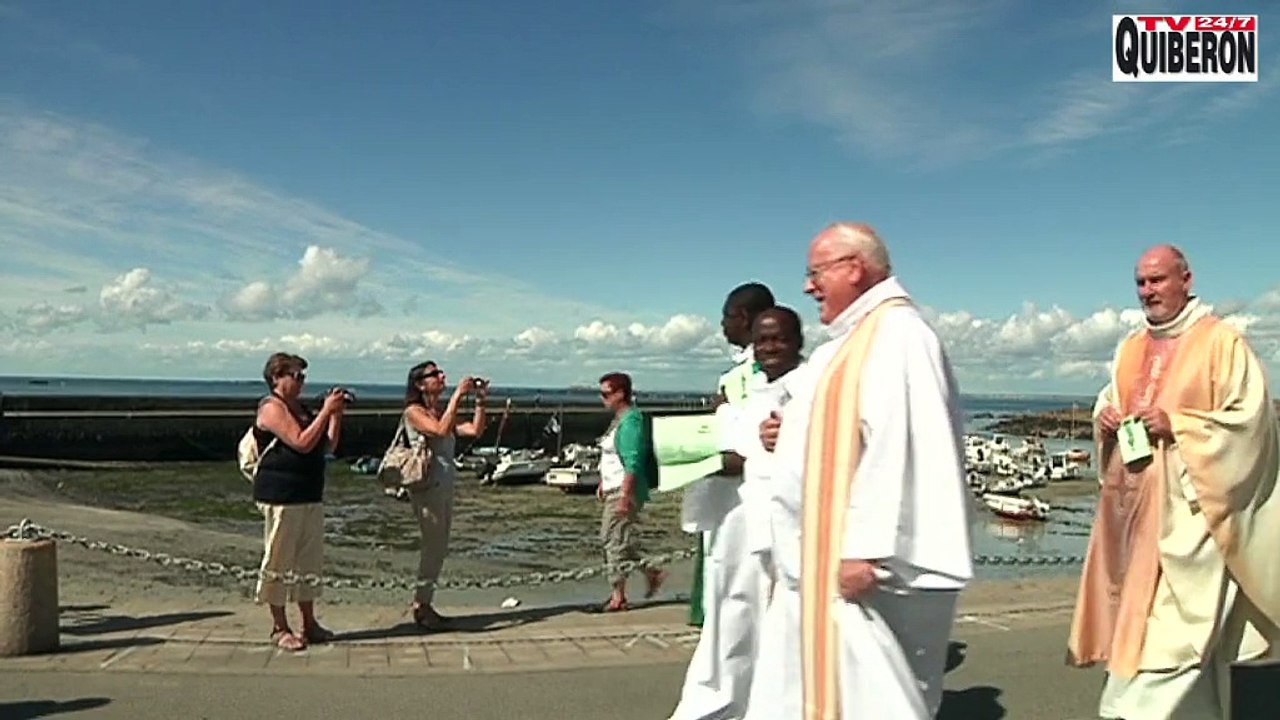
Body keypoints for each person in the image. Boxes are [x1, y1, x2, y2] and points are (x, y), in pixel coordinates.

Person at [747, 222, 973, 719]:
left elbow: (902, 447)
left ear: (854, 268)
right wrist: (788, 433)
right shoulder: (848, 342)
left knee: (876, 697)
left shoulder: (900, 336)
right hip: (817, 560)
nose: (808, 287)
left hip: (858, 568)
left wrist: (866, 550)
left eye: (816, 273)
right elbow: (841, 428)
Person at [1067, 245, 1280, 720]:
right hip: (1134, 518)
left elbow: (1251, 424)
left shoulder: (1222, 343)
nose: (1147, 291)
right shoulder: (1130, 347)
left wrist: (1178, 426)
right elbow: (1113, 397)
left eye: (1157, 280)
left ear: (1186, 279)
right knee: (1152, 640)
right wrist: (1105, 418)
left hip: (1191, 522)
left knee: (1173, 645)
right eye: (1140, 282)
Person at [669, 306, 806, 720]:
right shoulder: (756, 386)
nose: (769, 348)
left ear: (798, 341)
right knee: (735, 620)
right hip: (743, 523)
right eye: (762, 341)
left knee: (782, 631)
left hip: (791, 530)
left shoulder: (810, 385)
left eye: (779, 339)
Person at [684, 282, 776, 629]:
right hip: (729, 498)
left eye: (726, 317)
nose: (722, 326)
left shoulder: (756, 375)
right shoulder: (737, 374)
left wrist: (724, 415)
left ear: (743, 317)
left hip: (745, 499)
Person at [251, 352, 348, 651]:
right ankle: (279, 626)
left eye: (303, 376)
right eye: (296, 375)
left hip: (309, 492)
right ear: (277, 377)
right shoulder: (271, 407)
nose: (301, 381)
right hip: (281, 494)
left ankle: (309, 622)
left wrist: (335, 415)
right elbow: (301, 442)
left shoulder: (301, 408)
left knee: (309, 561)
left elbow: (326, 446)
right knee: (279, 559)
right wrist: (325, 411)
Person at [401, 360, 488, 630]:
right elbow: (439, 430)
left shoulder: (439, 412)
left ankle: (425, 603)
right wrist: (458, 395)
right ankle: (421, 605)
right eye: (434, 374)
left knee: (439, 546)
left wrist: (480, 402)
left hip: (444, 484)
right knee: (433, 545)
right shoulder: (414, 412)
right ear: (420, 384)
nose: (441, 377)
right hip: (427, 487)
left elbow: (473, 430)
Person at [596, 371, 666, 612]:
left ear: (620, 394)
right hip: (613, 487)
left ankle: (619, 596)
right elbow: (613, 457)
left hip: (623, 489)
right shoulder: (619, 420)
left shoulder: (631, 422)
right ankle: (651, 570)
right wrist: (603, 482)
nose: (602, 399)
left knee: (612, 540)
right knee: (618, 539)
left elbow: (632, 461)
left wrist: (625, 495)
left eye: (606, 394)